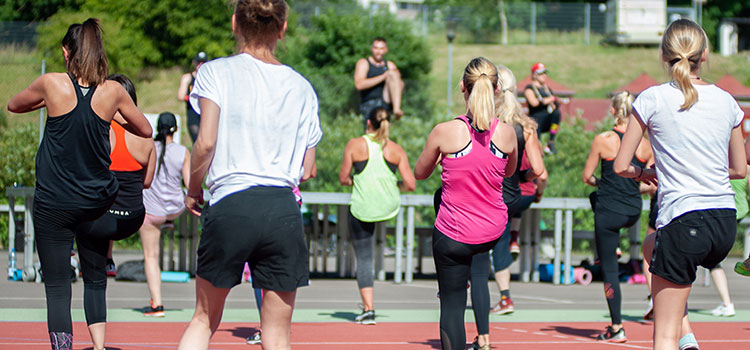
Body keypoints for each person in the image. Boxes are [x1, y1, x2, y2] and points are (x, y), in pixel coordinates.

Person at [177, 0, 322, 348]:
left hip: (232, 203)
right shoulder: (302, 87)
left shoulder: (214, 72)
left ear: (235, 23)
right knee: (276, 334)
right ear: (282, 28)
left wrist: (193, 189)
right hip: (282, 209)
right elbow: (307, 168)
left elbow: (205, 143)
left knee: (203, 320)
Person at [6, 18, 152, 350]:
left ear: (65, 51)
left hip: (54, 202)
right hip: (94, 202)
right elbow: (144, 129)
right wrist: (109, 114)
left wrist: (46, 103)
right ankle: (99, 346)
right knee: (95, 278)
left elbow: (13, 105)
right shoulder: (112, 91)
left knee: (57, 286)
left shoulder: (52, 84)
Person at [614, 18, 746, 350]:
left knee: (663, 334)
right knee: (650, 247)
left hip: (684, 219)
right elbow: (740, 169)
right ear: (705, 55)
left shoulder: (652, 99)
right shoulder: (728, 101)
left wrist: (643, 174)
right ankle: (688, 338)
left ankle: (681, 336)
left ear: (663, 55)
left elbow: (620, 165)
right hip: (724, 223)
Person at [414, 57, 517, 350]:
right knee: (478, 270)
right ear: (496, 89)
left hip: (455, 235)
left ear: (463, 87)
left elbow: (420, 173)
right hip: (490, 231)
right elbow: (508, 172)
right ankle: (484, 332)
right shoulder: (507, 133)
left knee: (452, 305)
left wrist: (445, 158)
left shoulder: (444, 131)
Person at [75, 73, 156, 350]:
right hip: (133, 217)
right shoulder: (146, 136)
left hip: (101, 220)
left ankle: (98, 346)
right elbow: (146, 182)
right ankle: (107, 256)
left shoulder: (97, 131)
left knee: (94, 283)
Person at [581, 91, 654, 343]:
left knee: (609, 270)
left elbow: (587, 177)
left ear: (613, 111)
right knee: (600, 203)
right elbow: (653, 183)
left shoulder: (603, 139)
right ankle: (615, 248)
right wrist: (632, 187)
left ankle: (616, 326)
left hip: (609, 212)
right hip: (633, 209)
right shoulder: (645, 145)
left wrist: (605, 184)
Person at [339, 107, 416, 325]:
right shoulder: (396, 150)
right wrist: (392, 184)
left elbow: (343, 178)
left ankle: (368, 309)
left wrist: (357, 181)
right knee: (381, 242)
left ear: (368, 123)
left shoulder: (355, 145)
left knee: (364, 257)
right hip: (388, 207)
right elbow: (410, 184)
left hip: (363, 207)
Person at [485, 64, 546, 319]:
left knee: (483, 241)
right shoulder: (526, 126)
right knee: (501, 237)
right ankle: (505, 294)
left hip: (492, 195)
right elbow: (540, 170)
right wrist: (524, 176)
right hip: (518, 195)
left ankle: (497, 293)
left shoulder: (488, 124)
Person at [139, 111, 191, 317]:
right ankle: (169, 222)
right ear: (175, 130)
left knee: (151, 257)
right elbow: (188, 183)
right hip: (175, 208)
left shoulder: (149, 148)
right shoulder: (182, 151)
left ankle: (157, 305)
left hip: (152, 212)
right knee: (170, 212)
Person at [354, 37, 405, 122]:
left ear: (386, 50)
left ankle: (396, 109)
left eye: (381, 48)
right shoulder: (364, 63)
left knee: (393, 74)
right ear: (371, 49)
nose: (378, 51)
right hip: (370, 104)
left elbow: (400, 87)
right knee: (372, 134)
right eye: (376, 48)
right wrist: (383, 76)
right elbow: (359, 85)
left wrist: (397, 80)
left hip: (386, 104)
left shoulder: (389, 65)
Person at [523, 62, 561, 154]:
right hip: (536, 120)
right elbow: (534, 102)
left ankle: (551, 141)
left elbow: (554, 102)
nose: (544, 76)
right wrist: (549, 99)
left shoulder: (547, 89)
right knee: (536, 148)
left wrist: (554, 102)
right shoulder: (529, 88)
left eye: (545, 73)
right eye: (541, 73)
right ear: (535, 75)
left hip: (547, 120)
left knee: (557, 114)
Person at [177, 51, 208, 143]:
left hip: (206, 112)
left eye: (203, 63)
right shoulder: (188, 77)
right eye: (199, 62)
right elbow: (180, 96)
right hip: (193, 113)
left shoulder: (209, 78)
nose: (201, 65)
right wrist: (194, 98)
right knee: (197, 141)